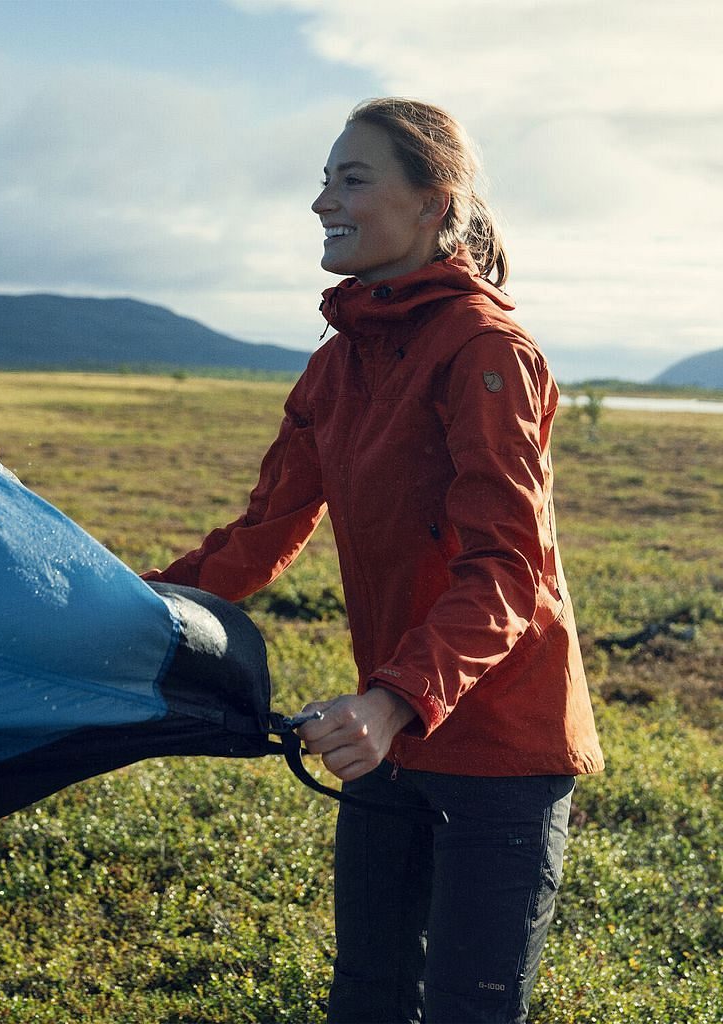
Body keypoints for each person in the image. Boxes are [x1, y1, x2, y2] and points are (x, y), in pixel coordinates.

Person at [143, 97, 604, 1024]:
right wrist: (123, 605)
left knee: (471, 1009)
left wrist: (391, 702)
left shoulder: (486, 351)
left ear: (434, 202)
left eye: (352, 180)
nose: (323, 202)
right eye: (324, 181)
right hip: (389, 734)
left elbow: (509, 569)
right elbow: (261, 534)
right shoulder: (338, 362)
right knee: (367, 996)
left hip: (498, 745)